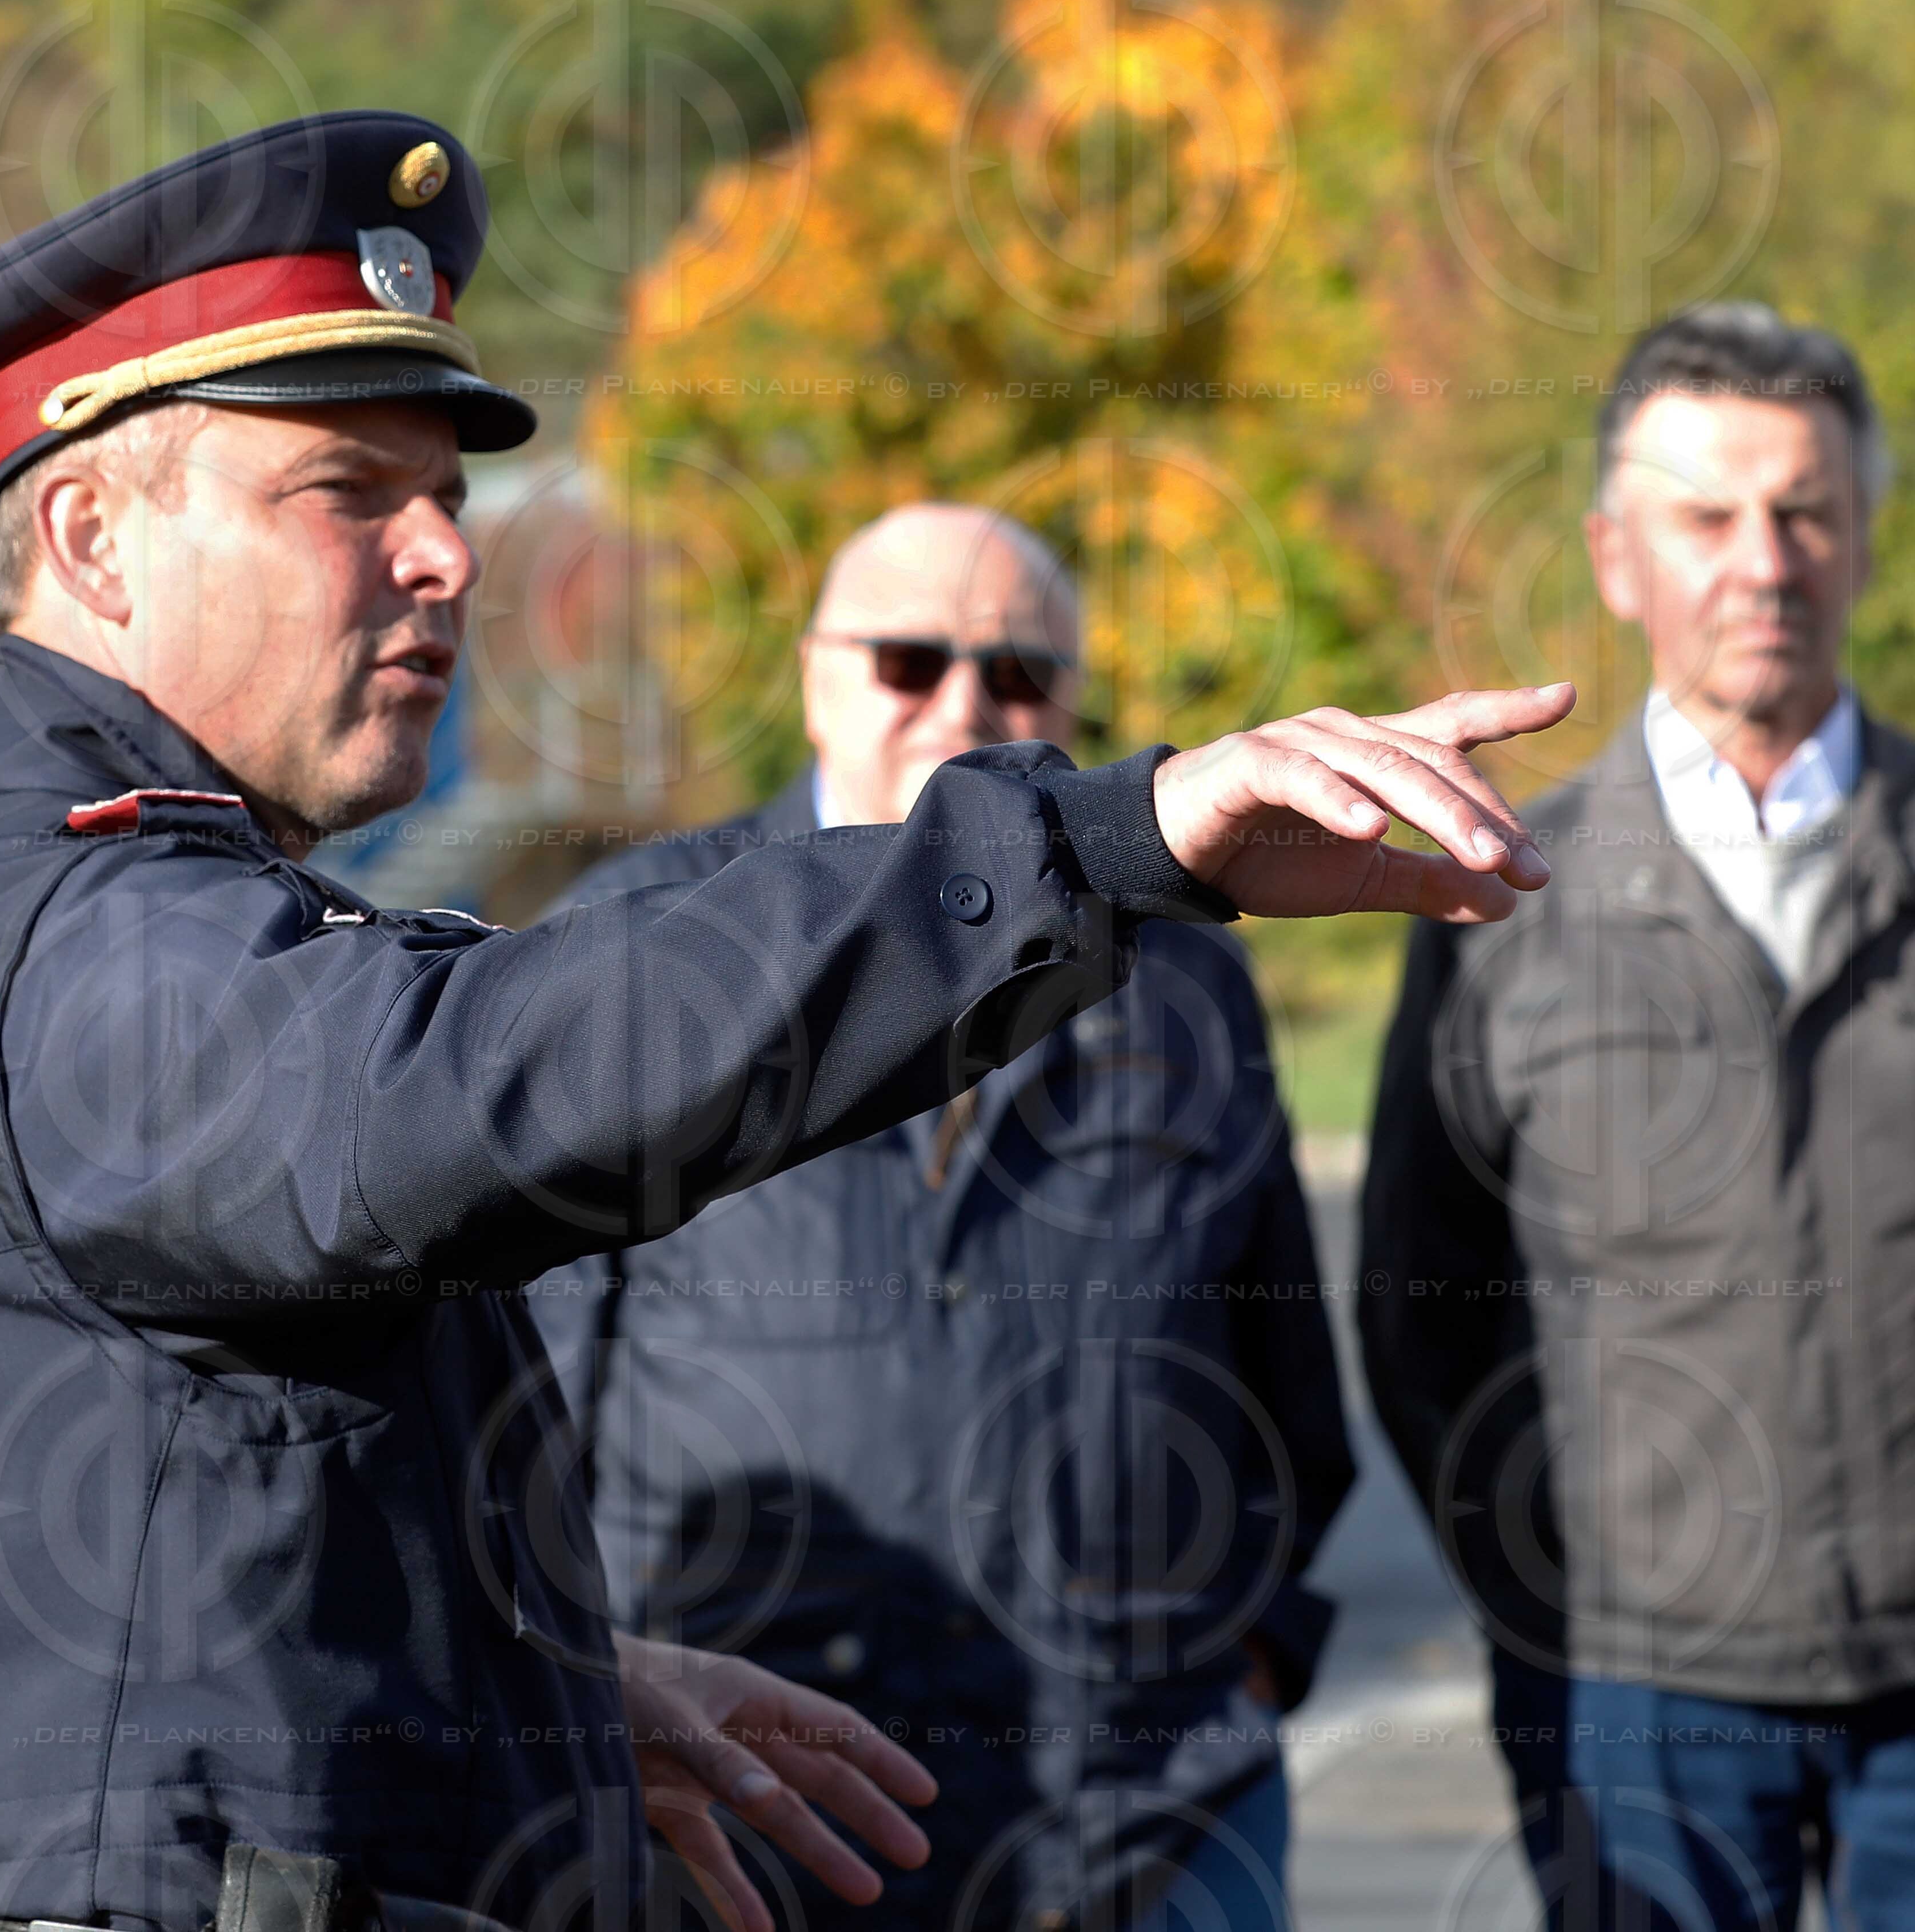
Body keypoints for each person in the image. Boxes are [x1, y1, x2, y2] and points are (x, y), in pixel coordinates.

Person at [0, 109, 1571, 1932]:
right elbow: (506, 1077)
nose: (442, 557)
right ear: (88, 533)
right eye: (344, 490)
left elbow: (153, 1565)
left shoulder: (113, 912)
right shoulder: (82, 937)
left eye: (444, 500)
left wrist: (543, 1686)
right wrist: (1102, 841)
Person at [530, 505, 1353, 1932]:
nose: (964, 703)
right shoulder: (649, 946)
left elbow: (1280, 1373)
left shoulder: (1180, 986)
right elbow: (513, 1405)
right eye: (909, 661)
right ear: (812, 677)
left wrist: (1259, 1647)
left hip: (1138, 1831)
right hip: (744, 1837)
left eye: (1020, 675)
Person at [1361, 302, 1915, 1931]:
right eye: (1706, 516)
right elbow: (1422, 1305)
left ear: (1860, 542)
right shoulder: (1492, 901)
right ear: (1612, 553)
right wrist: (1545, 1623)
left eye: (1803, 511)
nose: (1761, 559)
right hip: (1638, 1700)